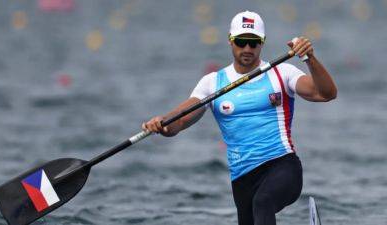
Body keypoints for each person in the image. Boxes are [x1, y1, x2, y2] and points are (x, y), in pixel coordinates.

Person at [142, 10, 337, 225]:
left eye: (253, 43)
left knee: (263, 202)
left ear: (262, 43)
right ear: (230, 41)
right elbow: (178, 122)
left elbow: (326, 93)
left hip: (282, 166)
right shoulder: (212, 82)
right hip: (242, 179)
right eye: (241, 41)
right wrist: (161, 124)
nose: (247, 48)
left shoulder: (283, 73)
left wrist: (309, 58)